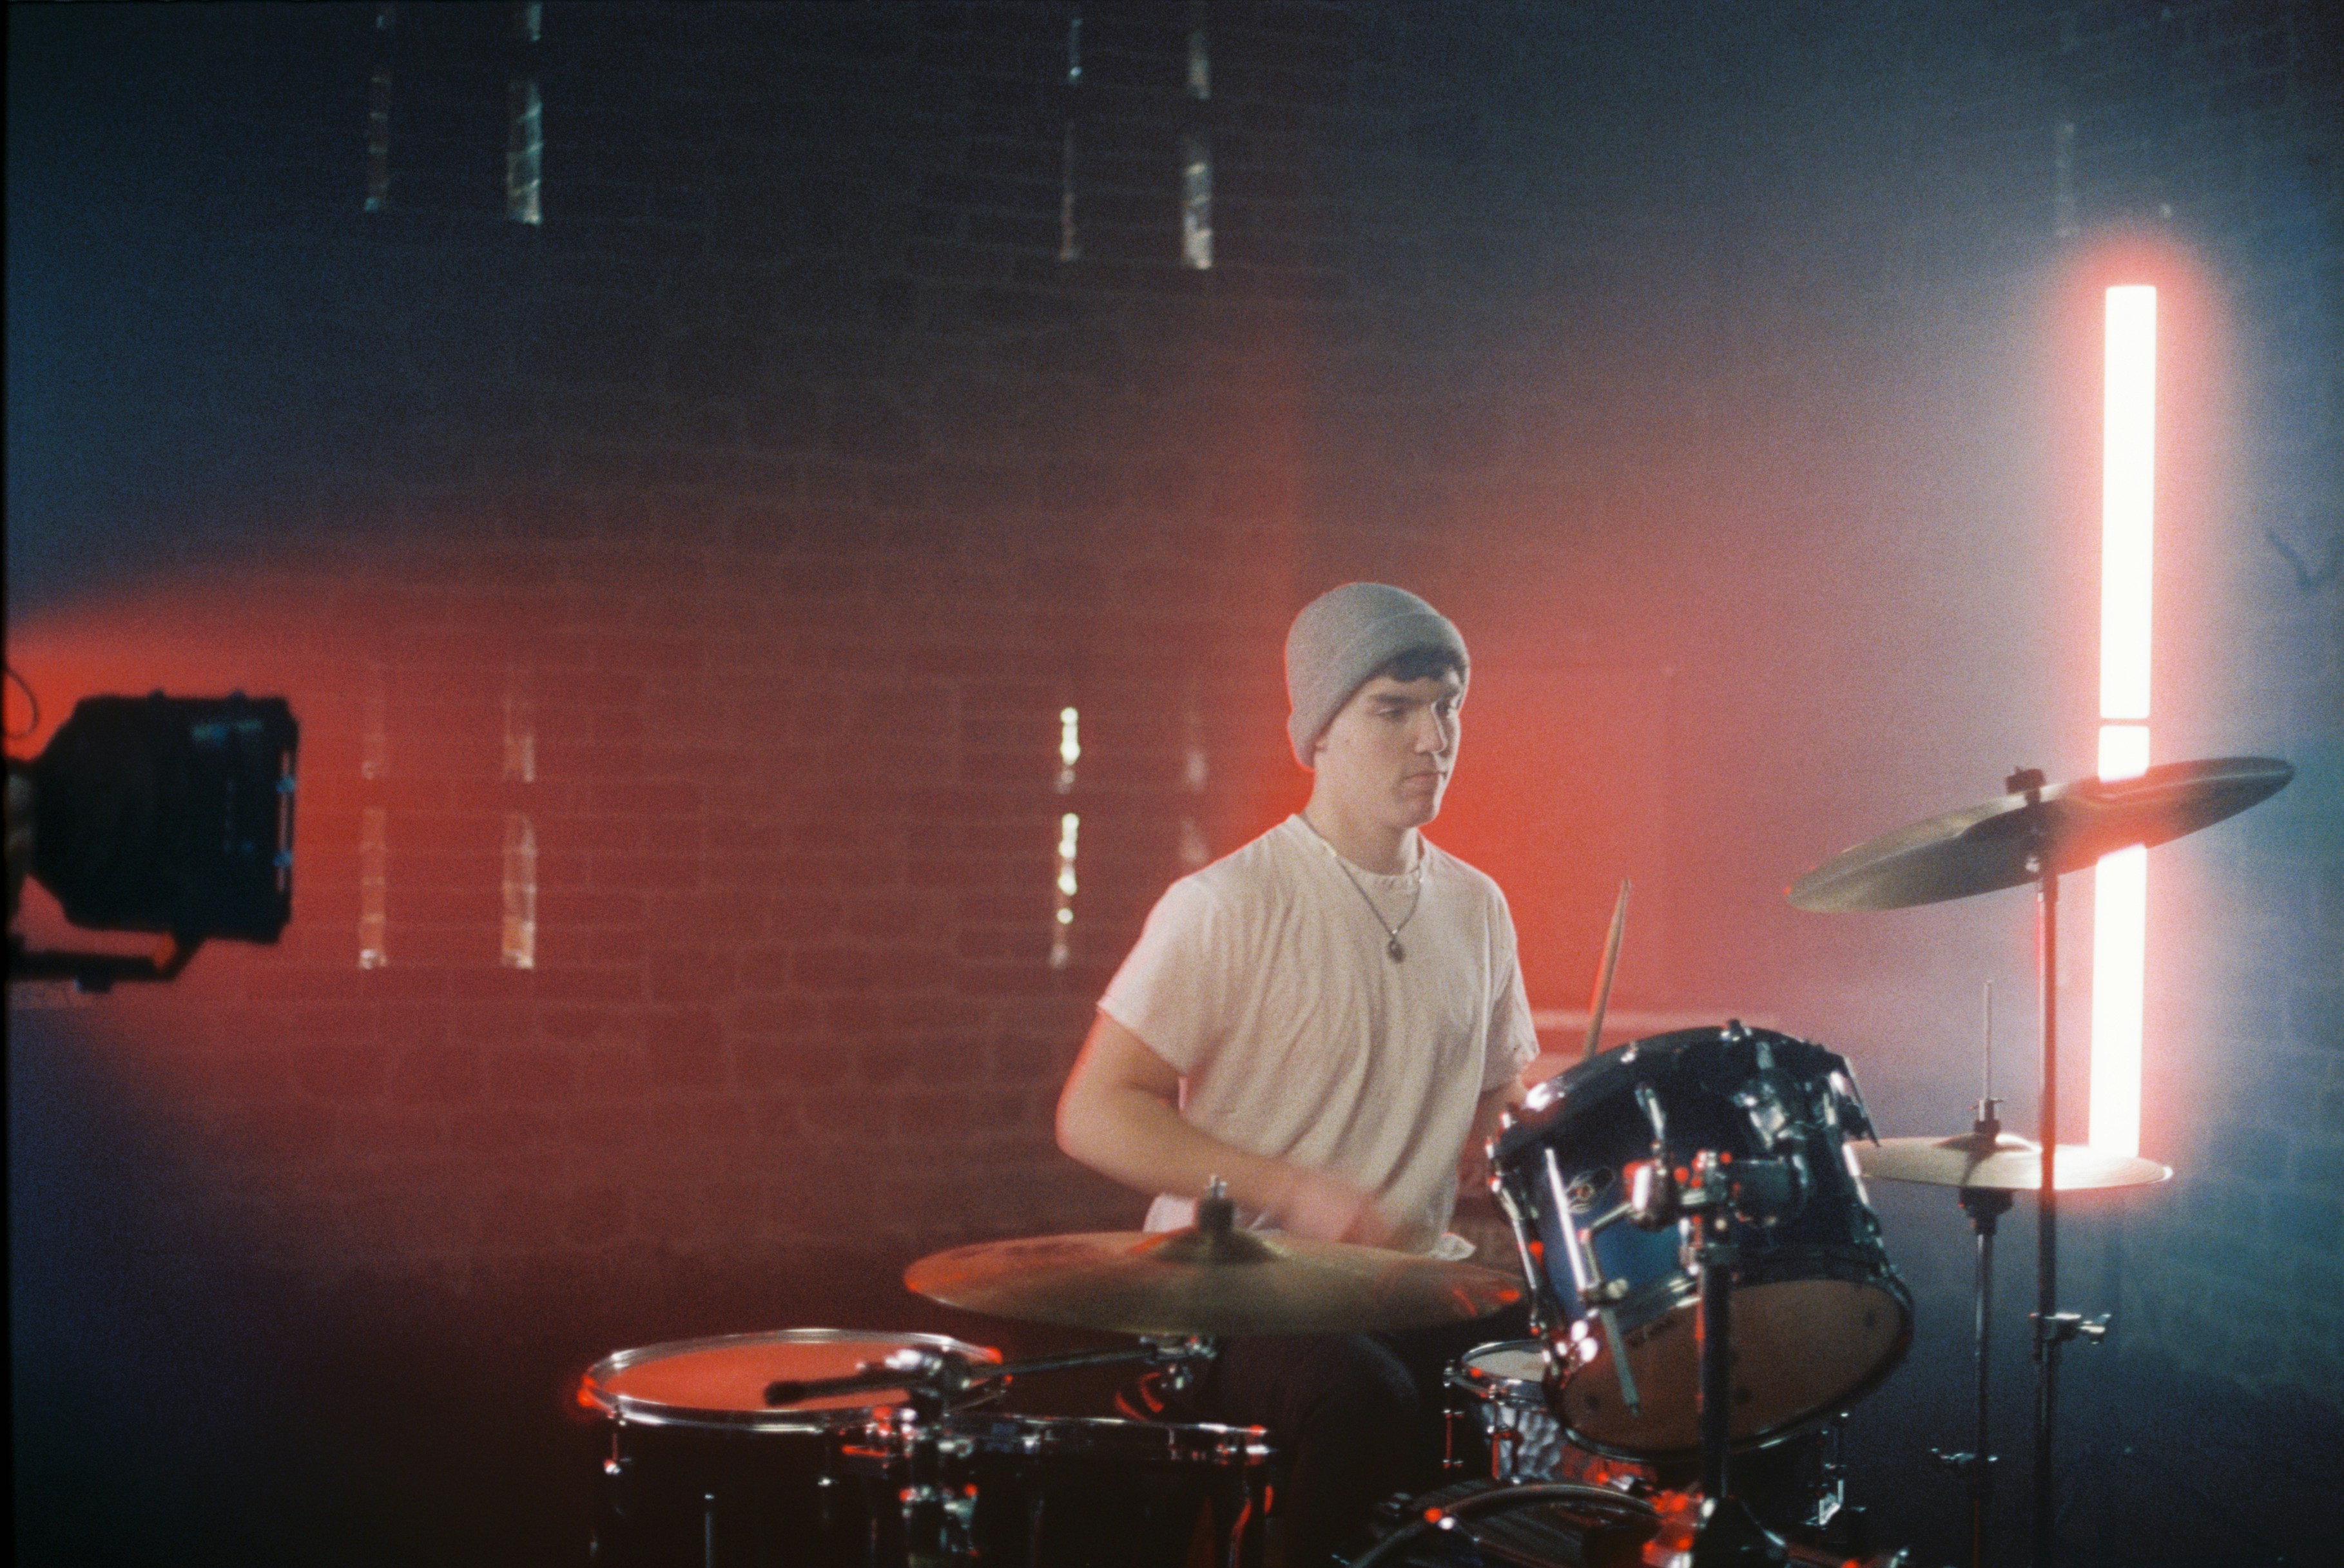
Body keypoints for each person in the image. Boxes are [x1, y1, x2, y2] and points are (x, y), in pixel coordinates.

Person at [1056, 582, 1540, 1565]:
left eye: (1446, 704)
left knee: (1582, 1378)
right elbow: (1094, 1112)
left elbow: (1492, 1102)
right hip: (1237, 1305)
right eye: (1392, 708)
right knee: (1359, 1399)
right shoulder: (1225, 903)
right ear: (1319, 732)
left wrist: (1538, 1136)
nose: (1432, 738)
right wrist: (1289, 1187)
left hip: (1405, 1287)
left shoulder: (1477, 907)